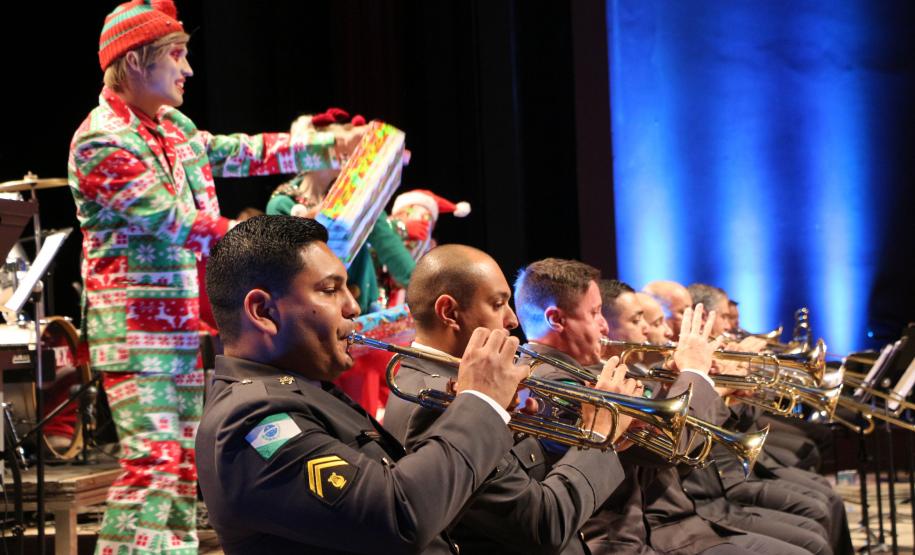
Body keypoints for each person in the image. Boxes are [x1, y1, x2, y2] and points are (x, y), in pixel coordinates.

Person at [67, 2, 364, 552]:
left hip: (180, 326)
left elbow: (241, 151)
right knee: (154, 466)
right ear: (135, 62)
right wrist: (277, 248)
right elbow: (175, 223)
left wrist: (331, 145)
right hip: (136, 333)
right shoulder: (101, 140)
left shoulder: (173, 126)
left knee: (180, 469)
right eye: (176, 56)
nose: (188, 70)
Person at [197, 215, 531, 554]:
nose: (353, 306)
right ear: (263, 311)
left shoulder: (304, 391)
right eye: (329, 290)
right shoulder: (251, 420)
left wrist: (490, 413)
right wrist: (480, 403)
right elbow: (398, 515)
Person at [384, 245, 634, 554]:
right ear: (449, 313)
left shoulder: (463, 386)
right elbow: (544, 524)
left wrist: (520, 429)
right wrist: (598, 437)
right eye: (498, 303)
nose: (513, 319)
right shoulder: (435, 400)